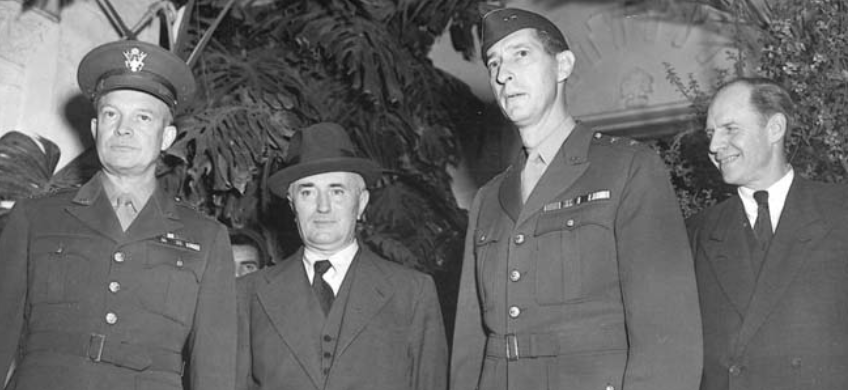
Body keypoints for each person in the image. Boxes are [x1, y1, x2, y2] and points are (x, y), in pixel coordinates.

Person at [450, 8, 702, 390]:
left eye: (521, 54)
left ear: (563, 65)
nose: (503, 74)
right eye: (494, 62)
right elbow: (471, 345)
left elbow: (667, 334)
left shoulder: (627, 168)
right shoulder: (488, 199)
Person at [0, 39, 236, 390]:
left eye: (143, 117)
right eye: (112, 114)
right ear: (96, 129)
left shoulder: (206, 238)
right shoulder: (35, 219)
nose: (123, 128)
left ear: (166, 136)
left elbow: (214, 371)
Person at [235, 122, 448, 390]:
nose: (323, 207)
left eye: (337, 191)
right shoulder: (248, 294)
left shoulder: (413, 292)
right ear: (292, 205)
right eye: (308, 192)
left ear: (360, 204)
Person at [687, 77, 847, 390]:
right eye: (710, 133)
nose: (714, 147)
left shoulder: (842, 210)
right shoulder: (695, 233)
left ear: (775, 128)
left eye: (729, 129)